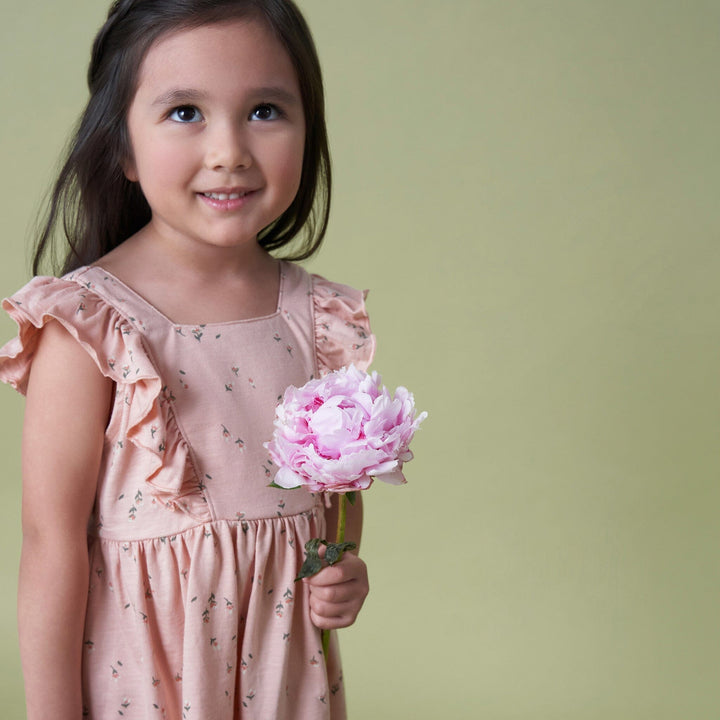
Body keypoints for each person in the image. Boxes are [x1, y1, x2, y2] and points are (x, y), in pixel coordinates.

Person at [0, 1, 375, 718]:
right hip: (147, 680)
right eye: (184, 113)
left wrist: (343, 567)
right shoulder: (93, 324)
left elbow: (335, 493)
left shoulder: (320, 319)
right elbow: (52, 547)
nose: (230, 150)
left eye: (265, 110)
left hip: (283, 675)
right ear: (122, 147)